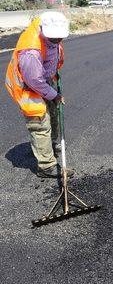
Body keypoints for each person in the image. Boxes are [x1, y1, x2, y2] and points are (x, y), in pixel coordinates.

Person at [4, 12, 73, 178]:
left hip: (41, 79)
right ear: (42, 30)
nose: (57, 41)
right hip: (27, 88)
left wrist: (53, 75)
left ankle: (51, 144)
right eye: (54, 39)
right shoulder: (30, 53)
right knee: (40, 123)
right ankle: (46, 166)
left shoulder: (51, 30)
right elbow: (34, 81)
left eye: (60, 38)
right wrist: (54, 95)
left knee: (54, 113)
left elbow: (51, 56)